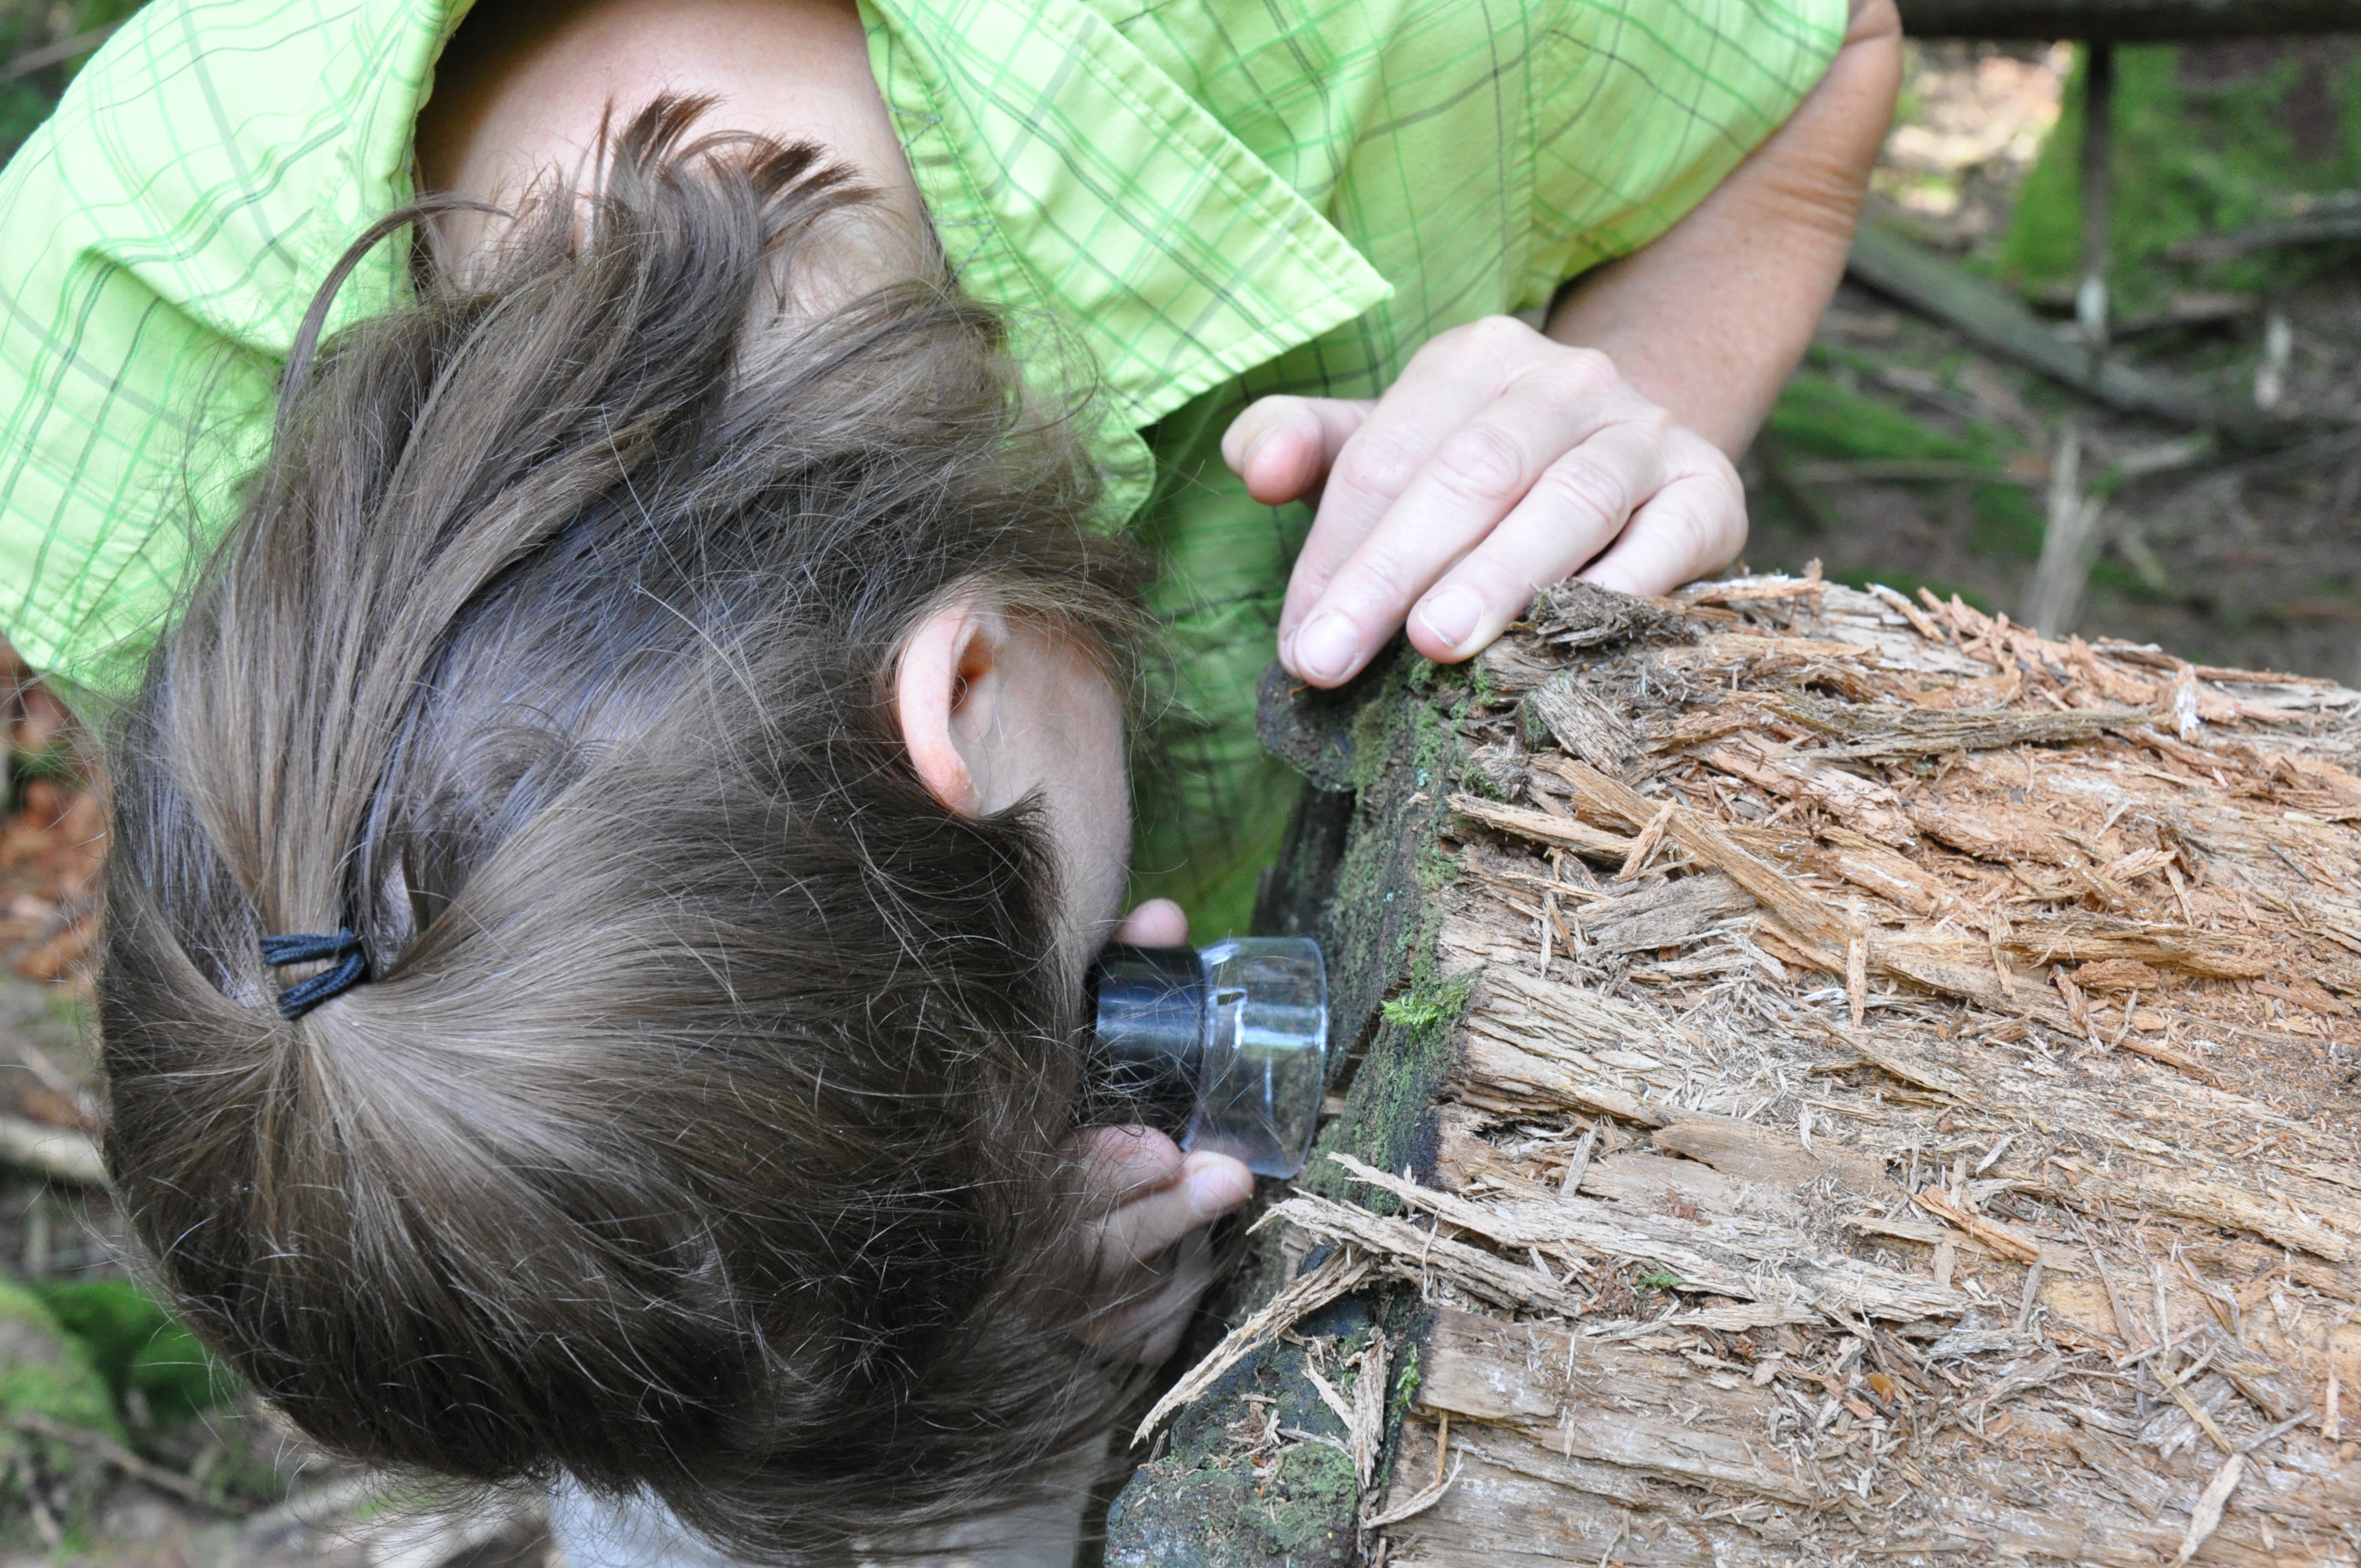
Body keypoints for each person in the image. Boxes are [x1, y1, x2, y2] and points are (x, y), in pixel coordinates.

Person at [0, 0, 1898, 1559]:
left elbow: (1825, 59)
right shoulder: (86, 398)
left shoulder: (1370, 34)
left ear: (965, 697)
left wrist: (1612, 420)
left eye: (1067, 1004)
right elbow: (386, 1017)